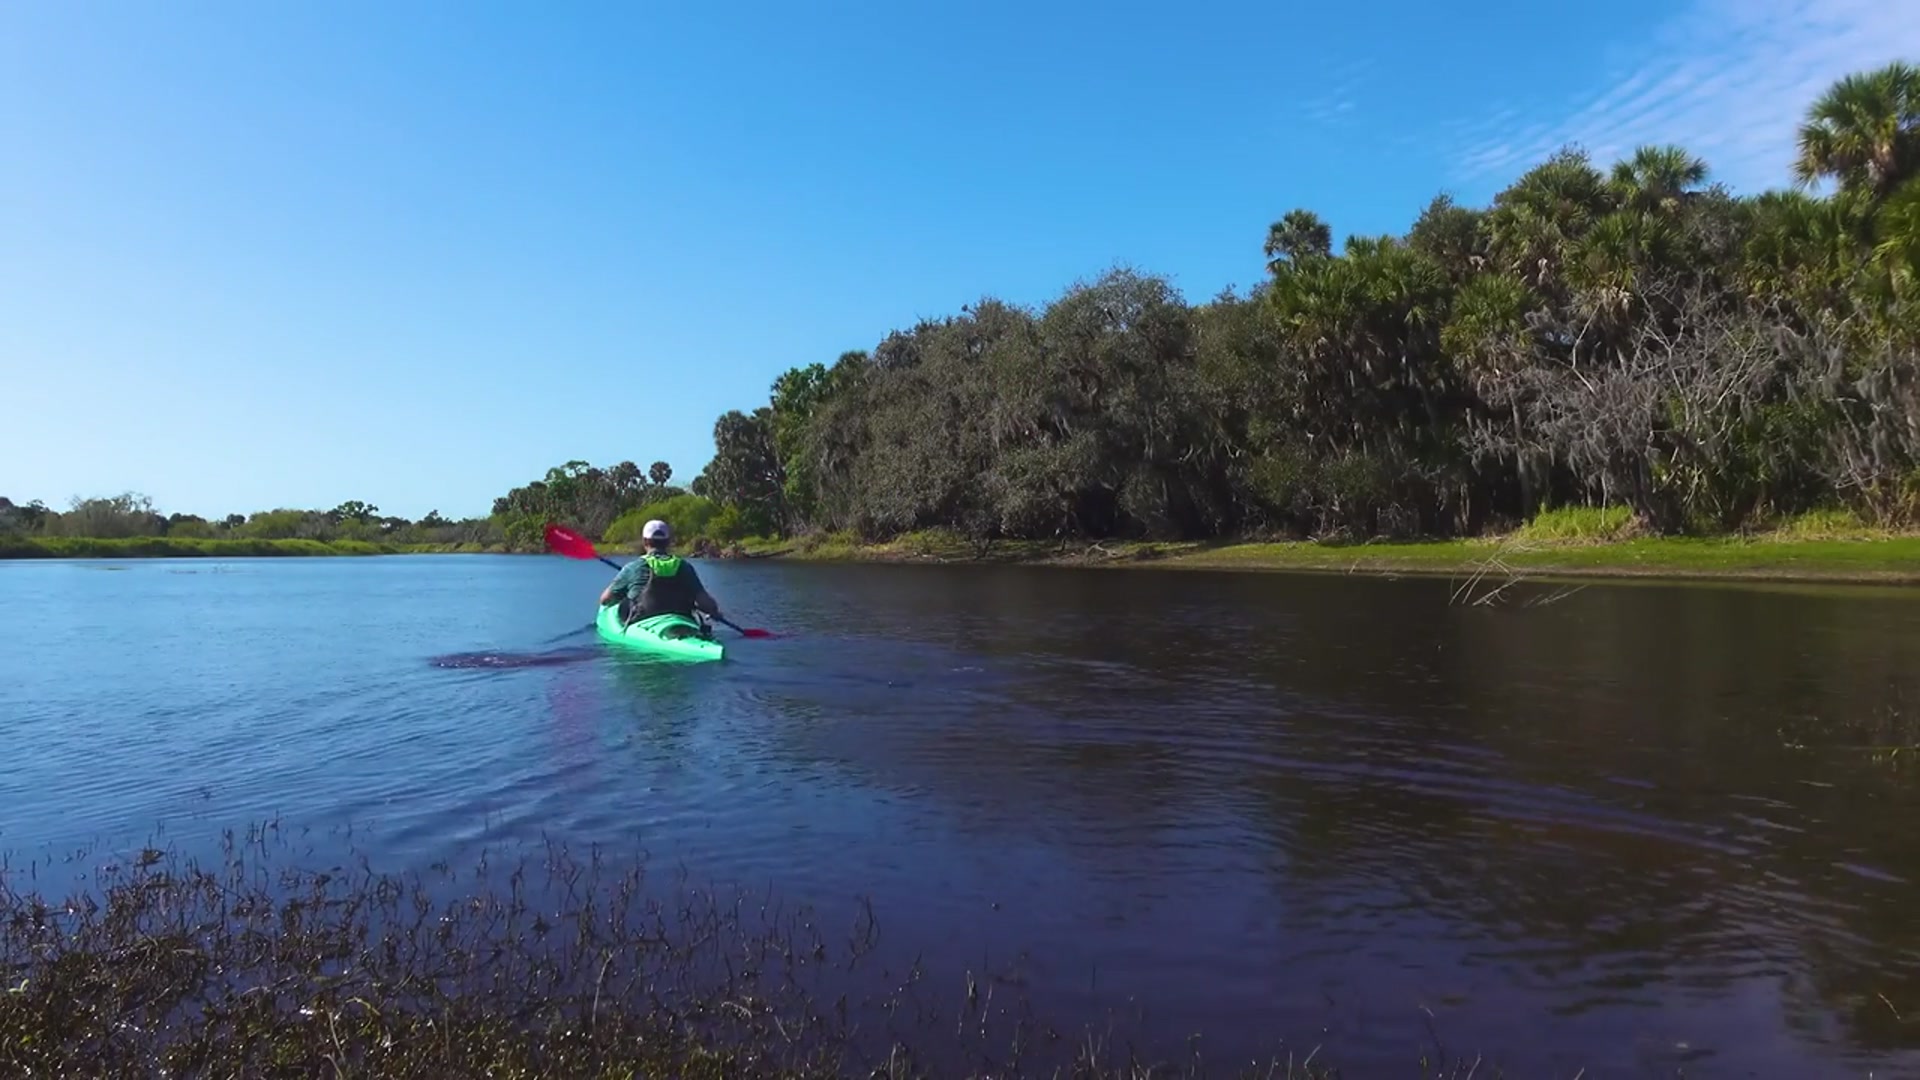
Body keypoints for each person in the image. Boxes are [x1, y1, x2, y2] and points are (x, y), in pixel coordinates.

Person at [599, 519, 723, 628]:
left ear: (645, 542)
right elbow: (706, 603)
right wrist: (715, 613)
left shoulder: (632, 567)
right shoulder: (684, 567)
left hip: (643, 621)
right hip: (681, 619)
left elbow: (605, 600)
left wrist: (624, 592)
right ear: (668, 542)